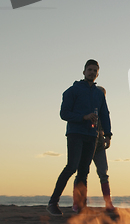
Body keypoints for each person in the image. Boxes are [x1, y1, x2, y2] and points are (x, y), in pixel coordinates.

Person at [47, 59, 112, 216]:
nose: (92, 72)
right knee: (71, 167)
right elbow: (64, 114)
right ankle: (53, 203)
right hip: (76, 133)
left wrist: (108, 134)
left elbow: (104, 114)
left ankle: (81, 205)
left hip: (92, 136)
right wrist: (83, 117)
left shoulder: (98, 94)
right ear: (84, 72)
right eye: (89, 70)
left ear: (97, 74)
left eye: (95, 70)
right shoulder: (72, 91)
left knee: (84, 171)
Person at [72, 86, 115, 213]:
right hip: (86, 144)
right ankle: (77, 203)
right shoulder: (87, 110)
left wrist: (108, 137)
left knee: (103, 173)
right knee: (81, 173)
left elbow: (105, 126)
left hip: (99, 146)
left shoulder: (104, 112)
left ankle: (108, 203)